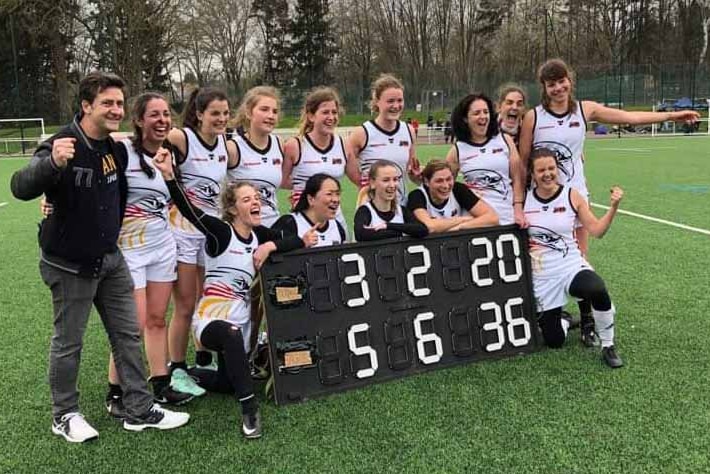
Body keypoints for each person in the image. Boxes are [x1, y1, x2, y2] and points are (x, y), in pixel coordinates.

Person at [10, 72, 189, 443]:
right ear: (86, 105)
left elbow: (118, 194)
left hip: (110, 259)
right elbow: (20, 186)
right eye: (107, 103)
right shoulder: (61, 143)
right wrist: (52, 167)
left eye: (120, 103)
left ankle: (138, 409)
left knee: (127, 334)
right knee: (68, 342)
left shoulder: (112, 146)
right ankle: (64, 415)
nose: (116, 110)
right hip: (69, 264)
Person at [518, 58, 699, 345]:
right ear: (544, 87)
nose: (558, 88)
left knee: (580, 258)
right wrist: (520, 201)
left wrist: (669, 117)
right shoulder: (534, 117)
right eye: (551, 84)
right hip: (541, 197)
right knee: (543, 254)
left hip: (574, 195)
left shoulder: (584, 109)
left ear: (570, 80)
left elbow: (627, 118)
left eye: (561, 81)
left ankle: (589, 322)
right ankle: (550, 310)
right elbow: (522, 160)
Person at [151, 147, 314, 438]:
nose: (256, 203)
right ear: (232, 208)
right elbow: (189, 210)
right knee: (232, 339)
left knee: (228, 382)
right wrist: (169, 176)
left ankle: (192, 373)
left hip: (243, 324)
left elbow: (293, 241)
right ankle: (250, 411)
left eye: (258, 198)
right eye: (247, 199)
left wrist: (271, 245)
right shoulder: (220, 231)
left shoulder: (260, 235)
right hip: (212, 321)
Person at [524, 147, 624, 368]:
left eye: (551, 168)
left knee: (596, 287)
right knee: (554, 341)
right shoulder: (523, 201)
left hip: (570, 265)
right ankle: (566, 320)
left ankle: (608, 345)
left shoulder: (572, 195)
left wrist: (613, 207)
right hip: (542, 276)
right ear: (532, 174)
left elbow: (597, 230)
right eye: (541, 170)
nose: (548, 174)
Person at [166, 87, 238, 395]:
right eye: (214, 113)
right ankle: (176, 369)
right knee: (184, 305)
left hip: (211, 234)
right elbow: (139, 142)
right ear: (199, 114)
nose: (221, 119)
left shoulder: (226, 144)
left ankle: (204, 358)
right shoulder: (182, 138)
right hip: (183, 234)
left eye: (225, 113)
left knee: (207, 300)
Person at [281, 87, 359, 234]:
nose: (331, 117)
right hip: (304, 221)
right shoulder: (295, 146)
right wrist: (304, 190)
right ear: (311, 116)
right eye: (325, 112)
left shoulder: (344, 144)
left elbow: (359, 179)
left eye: (334, 112)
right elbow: (282, 180)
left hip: (335, 220)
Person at [445, 93, 526, 227]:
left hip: (506, 217)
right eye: (476, 113)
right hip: (476, 221)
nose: (483, 116)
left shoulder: (505, 140)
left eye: (485, 112)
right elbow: (444, 184)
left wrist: (518, 209)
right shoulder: (457, 150)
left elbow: (517, 180)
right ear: (465, 118)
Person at [346, 74, 421, 206]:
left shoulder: (408, 130)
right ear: (377, 102)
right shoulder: (362, 133)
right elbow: (346, 163)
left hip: (401, 207)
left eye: (400, 100)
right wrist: (367, 184)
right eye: (390, 101)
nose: (396, 105)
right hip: (372, 208)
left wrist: (418, 175)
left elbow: (409, 171)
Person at [228, 86, 284, 228]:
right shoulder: (233, 148)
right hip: (243, 231)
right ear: (248, 112)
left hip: (274, 226)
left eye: (274, 111)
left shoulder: (279, 144)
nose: (271, 116)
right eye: (264, 109)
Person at [407, 160, 499, 232]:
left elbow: (493, 218)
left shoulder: (458, 189)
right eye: (439, 181)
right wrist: (463, 219)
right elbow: (429, 227)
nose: (446, 186)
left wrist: (460, 227)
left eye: (448, 179)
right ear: (427, 182)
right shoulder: (417, 196)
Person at [354, 160, 428, 241]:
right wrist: (402, 232)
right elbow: (361, 235)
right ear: (372, 183)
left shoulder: (402, 211)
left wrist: (388, 226)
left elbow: (422, 230)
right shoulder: (365, 211)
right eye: (386, 180)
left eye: (395, 180)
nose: (392, 185)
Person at [273, 173, 347, 246]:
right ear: (311, 199)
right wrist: (301, 243)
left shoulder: (336, 226)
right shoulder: (289, 224)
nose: (335, 199)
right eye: (329, 194)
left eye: (337, 194)